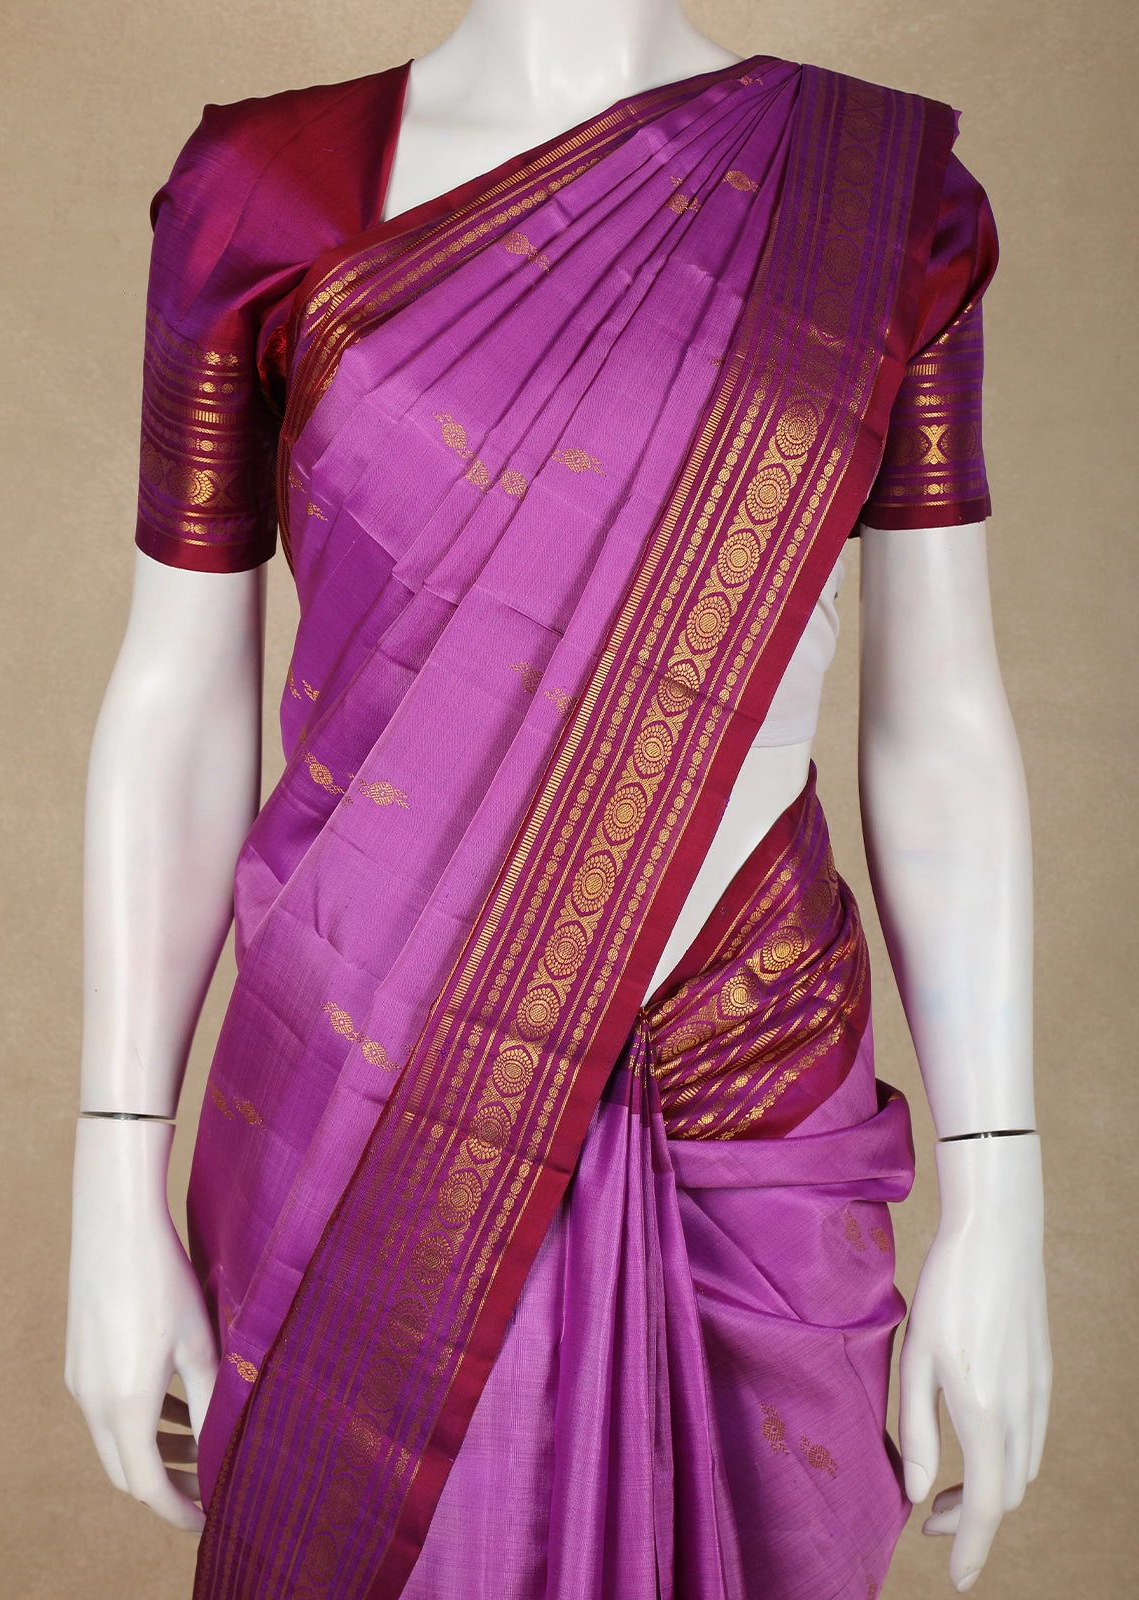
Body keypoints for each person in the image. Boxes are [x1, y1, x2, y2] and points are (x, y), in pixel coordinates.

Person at [66, 3, 1051, 1596]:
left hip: (748, 1104)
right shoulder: (265, 195)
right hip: (369, 1093)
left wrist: (1000, 1189)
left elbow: (938, 719)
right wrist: (111, 1174)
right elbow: (178, 696)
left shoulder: (875, 200)